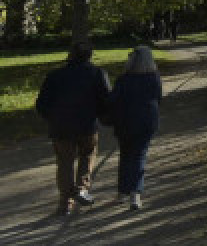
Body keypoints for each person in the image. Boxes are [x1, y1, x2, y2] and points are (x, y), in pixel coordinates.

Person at [35, 41, 111, 215]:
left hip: (61, 127)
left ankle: (65, 203)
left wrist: (52, 118)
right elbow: (107, 100)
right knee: (87, 155)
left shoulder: (54, 76)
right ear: (89, 56)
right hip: (87, 125)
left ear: (70, 55)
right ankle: (82, 189)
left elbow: (41, 105)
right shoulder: (97, 73)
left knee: (64, 163)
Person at [107, 45, 162, 211]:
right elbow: (158, 98)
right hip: (146, 121)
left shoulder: (124, 79)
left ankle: (123, 192)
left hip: (125, 122)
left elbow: (113, 101)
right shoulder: (154, 78)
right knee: (139, 156)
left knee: (125, 155)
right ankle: (135, 194)